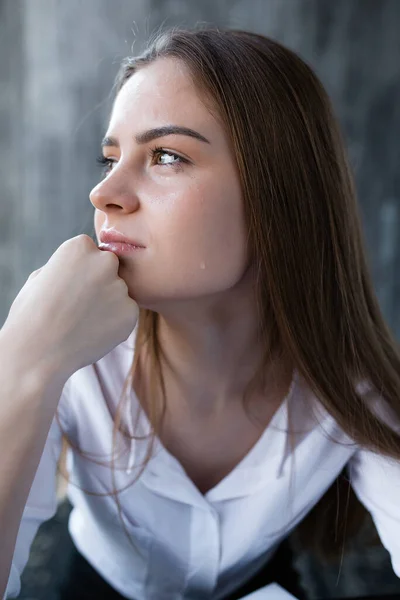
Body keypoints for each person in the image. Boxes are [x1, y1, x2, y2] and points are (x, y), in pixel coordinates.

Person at [1, 26, 399, 600]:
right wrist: (24, 361)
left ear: (279, 195)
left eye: (165, 155)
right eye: (109, 158)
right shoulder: (68, 350)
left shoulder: (352, 387)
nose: (104, 193)